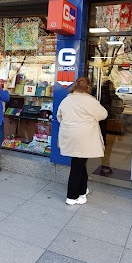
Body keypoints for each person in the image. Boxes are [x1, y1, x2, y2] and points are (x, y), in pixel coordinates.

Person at [57, 76, 108, 206]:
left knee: (79, 163)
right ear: (88, 87)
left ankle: (82, 189)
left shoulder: (66, 100)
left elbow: (59, 116)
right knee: (77, 166)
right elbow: (103, 115)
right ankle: (72, 196)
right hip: (84, 138)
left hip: (69, 136)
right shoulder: (91, 101)